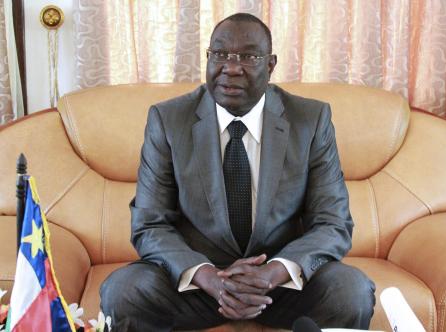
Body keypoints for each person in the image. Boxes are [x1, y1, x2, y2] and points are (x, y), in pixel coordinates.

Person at [100, 12, 376, 332]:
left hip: (280, 284)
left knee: (350, 291)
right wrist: (207, 277)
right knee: (124, 291)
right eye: (219, 54)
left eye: (248, 56)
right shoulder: (169, 119)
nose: (230, 67)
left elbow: (332, 222)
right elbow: (150, 223)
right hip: (197, 284)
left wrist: (273, 273)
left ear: (270, 65)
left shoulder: (309, 120)